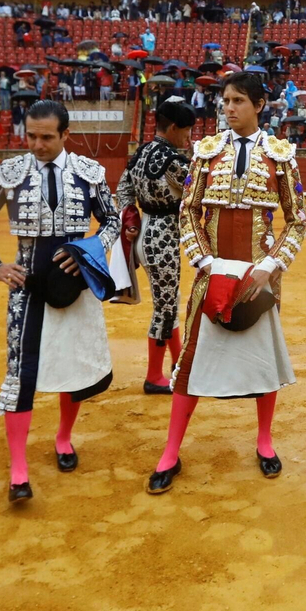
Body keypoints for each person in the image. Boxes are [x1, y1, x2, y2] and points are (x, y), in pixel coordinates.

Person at [146, 72, 306, 495]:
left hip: (257, 279)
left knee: (263, 362)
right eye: (225, 101)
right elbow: (188, 211)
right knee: (191, 361)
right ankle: (170, 452)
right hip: (213, 275)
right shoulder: (206, 151)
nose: (229, 108)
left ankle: (264, 441)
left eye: (238, 101)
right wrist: (205, 261)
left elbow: (297, 220)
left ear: (259, 105)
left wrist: (270, 265)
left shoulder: (280, 155)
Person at [0, 100, 122, 503]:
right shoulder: (11, 172)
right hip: (27, 285)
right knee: (21, 373)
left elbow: (114, 219)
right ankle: (19, 470)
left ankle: (64, 438)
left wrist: (90, 250)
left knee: (73, 365)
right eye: (31, 136)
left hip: (75, 283)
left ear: (65, 134)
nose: (37, 145)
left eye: (47, 137)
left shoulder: (88, 172)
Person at [115, 99, 196, 395]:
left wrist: (131, 217)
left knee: (168, 302)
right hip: (162, 238)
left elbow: (122, 190)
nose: (188, 137)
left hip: (144, 235)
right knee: (165, 307)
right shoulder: (173, 160)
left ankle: (177, 364)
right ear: (173, 127)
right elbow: (198, 188)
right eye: (186, 131)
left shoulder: (141, 153)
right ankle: (153, 376)